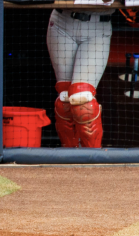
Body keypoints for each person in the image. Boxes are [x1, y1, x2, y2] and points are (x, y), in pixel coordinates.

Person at [47, 8, 113, 148]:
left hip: (98, 26)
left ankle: (92, 160)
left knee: (83, 101)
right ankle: (70, 158)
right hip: (62, 22)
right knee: (64, 99)